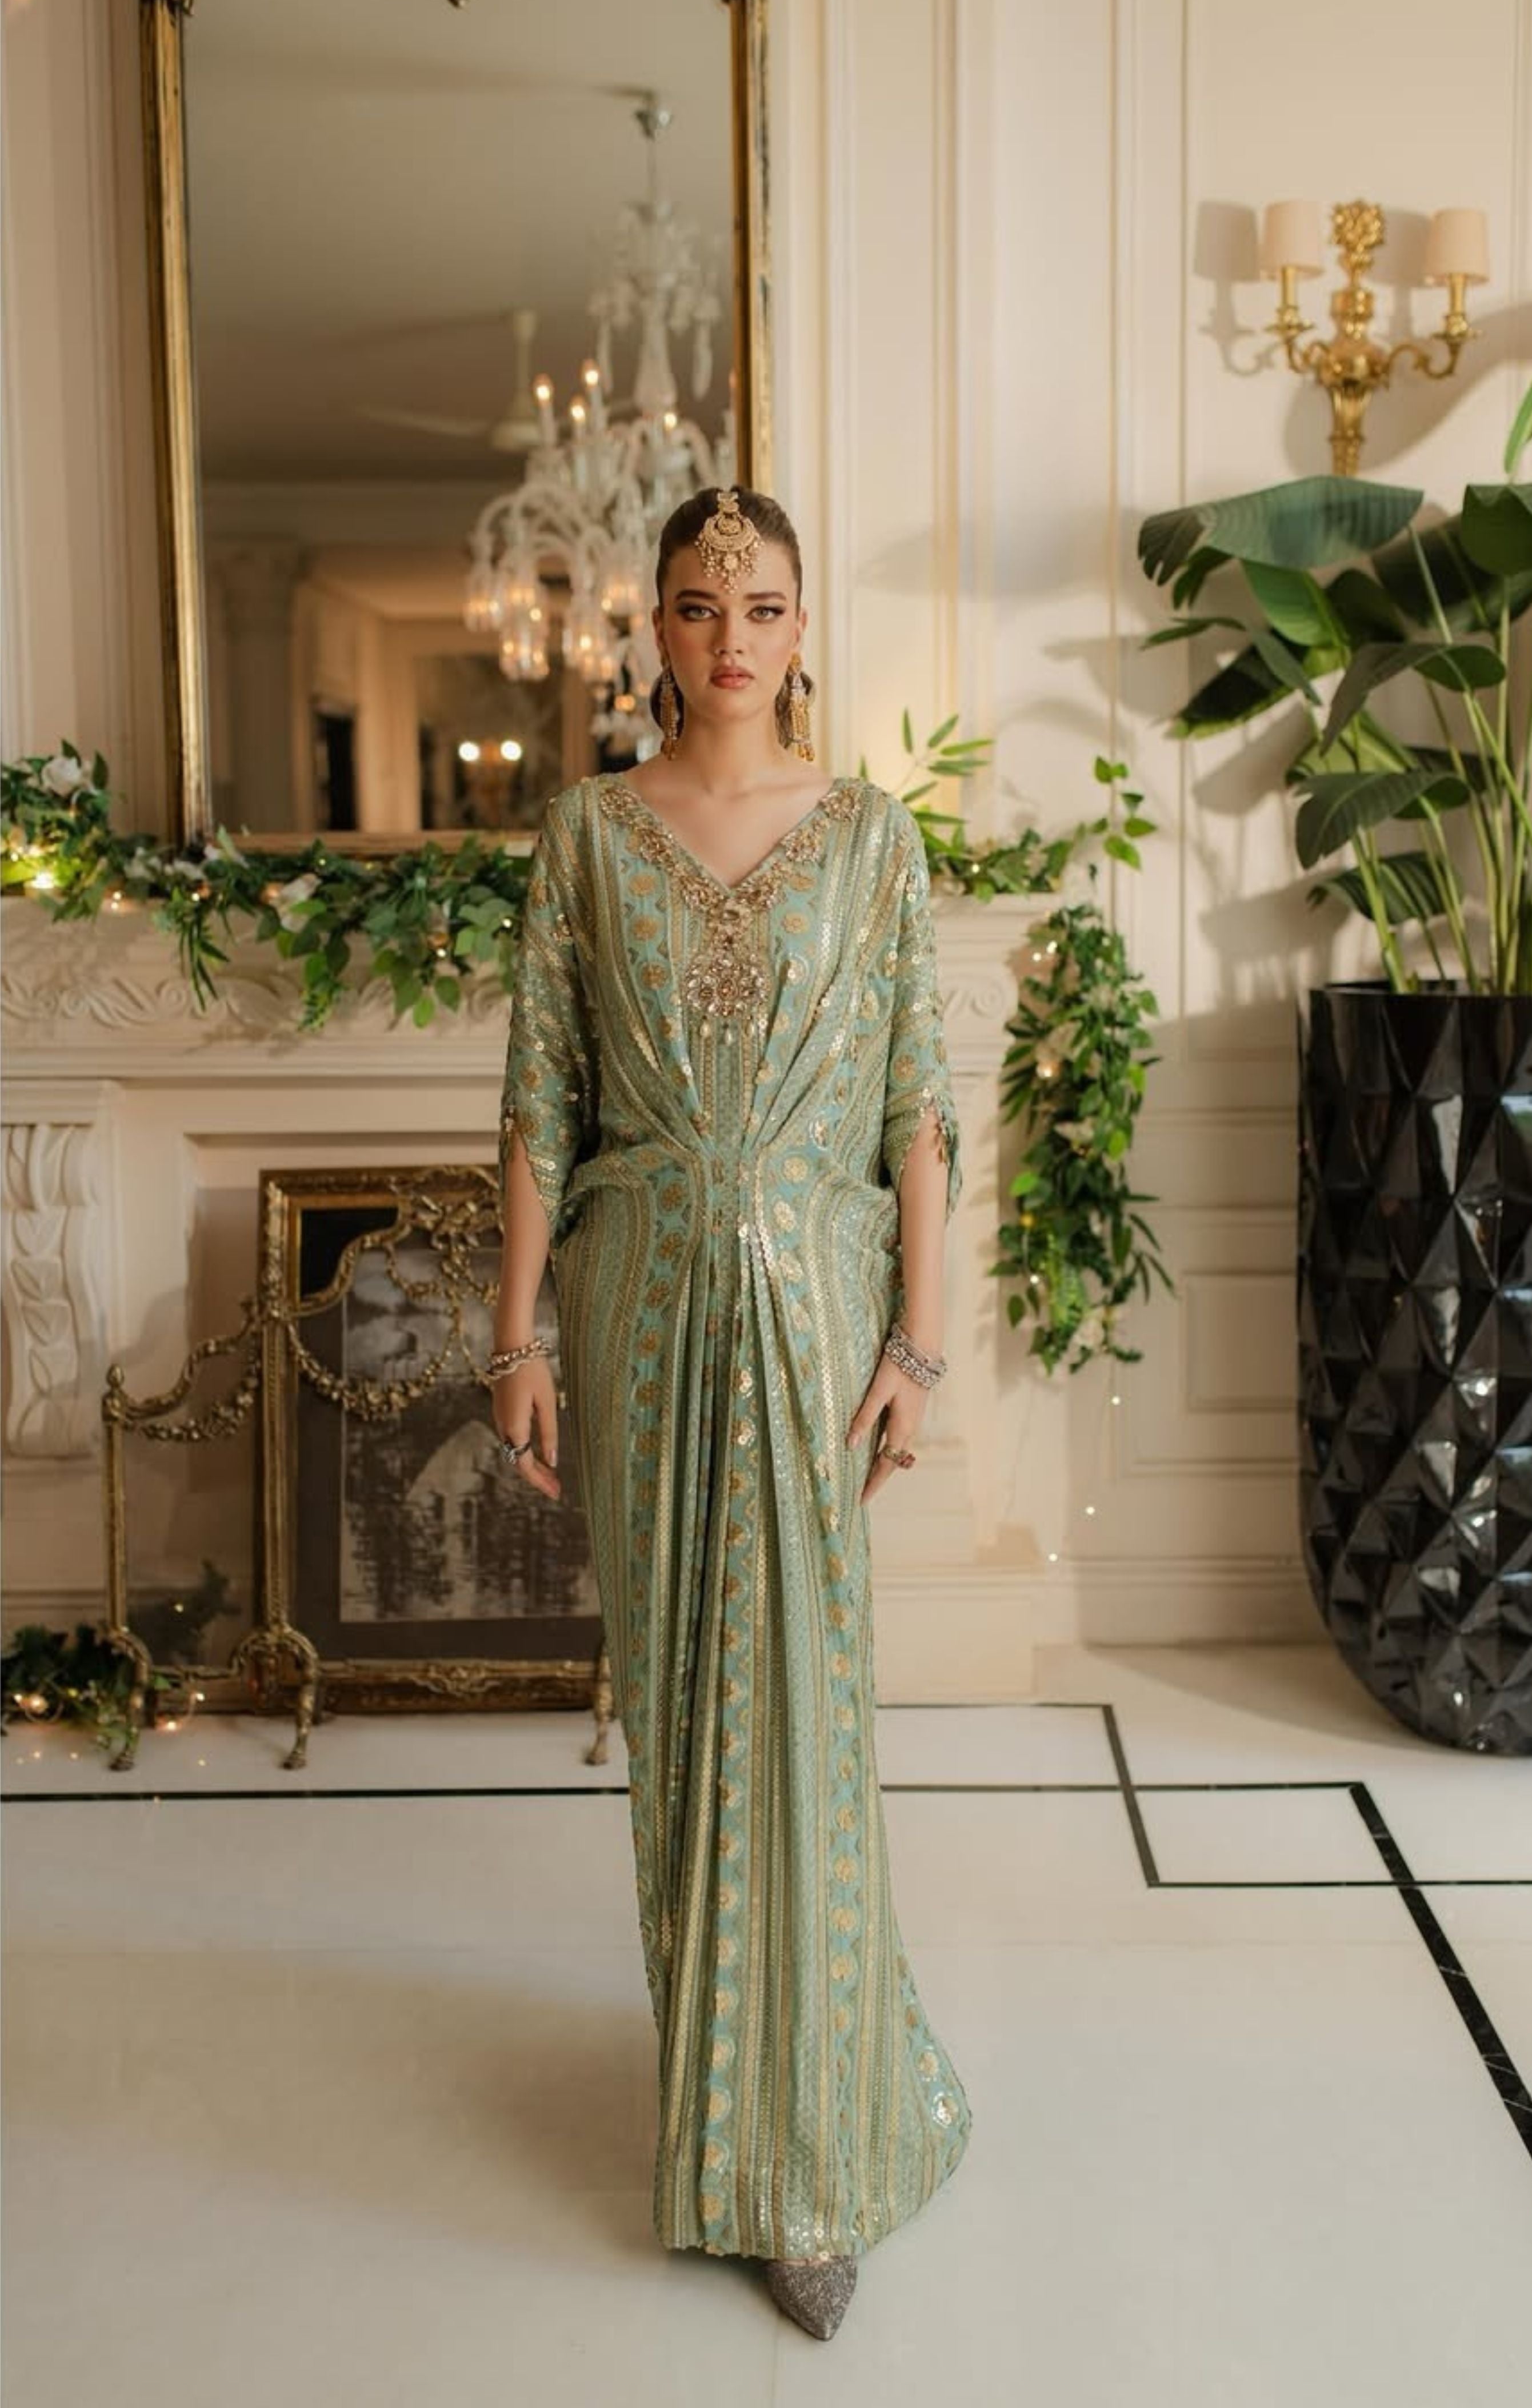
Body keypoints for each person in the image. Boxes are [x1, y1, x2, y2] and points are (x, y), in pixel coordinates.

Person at [489, 484, 971, 2341]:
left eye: (760, 601)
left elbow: (916, 1105)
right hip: (636, 1309)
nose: (730, 634)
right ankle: (720, 2135)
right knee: (682, 1722)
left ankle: (819, 2159)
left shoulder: (868, 841)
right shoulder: (585, 836)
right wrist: (516, 1340)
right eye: (696, 604)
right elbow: (541, 1099)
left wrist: (916, 1349)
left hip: (812, 1321)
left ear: (797, 626)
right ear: (656, 630)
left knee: (805, 1720)